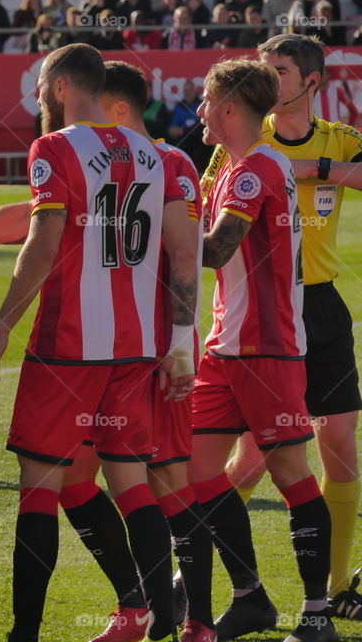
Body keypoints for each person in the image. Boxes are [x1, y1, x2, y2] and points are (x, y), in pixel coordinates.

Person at [0, 44, 198, 642]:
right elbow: (184, 252)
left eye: (43, 85)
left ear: (62, 85)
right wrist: (178, 343)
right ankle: (159, 620)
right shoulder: (156, 154)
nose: (38, 97)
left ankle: (24, 635)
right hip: (137, 348)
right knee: (129, 482)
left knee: (40, 489)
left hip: (68, 344)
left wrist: (0, 327)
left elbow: (43, 243)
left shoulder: (54, 147)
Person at [208, 33, 362, 624]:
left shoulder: (341, 140)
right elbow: (203, 217)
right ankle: (207, 578)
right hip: (263, 314)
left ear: (312, 82)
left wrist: (319, 167)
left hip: (320, 310)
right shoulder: (243, 141)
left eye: (280, 70)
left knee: (340, 445)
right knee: (250, 459)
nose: (267, 78)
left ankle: (334, 587)